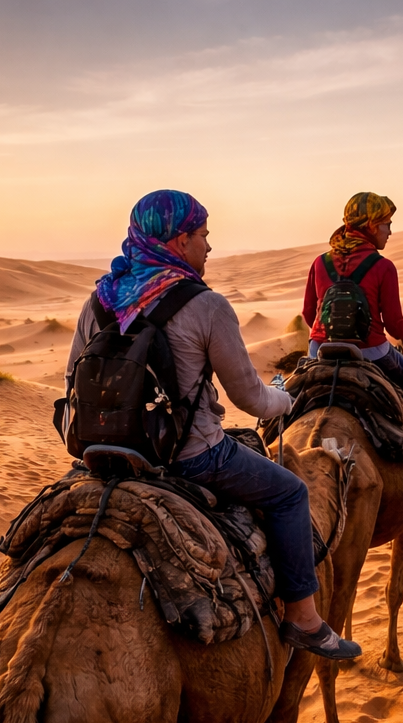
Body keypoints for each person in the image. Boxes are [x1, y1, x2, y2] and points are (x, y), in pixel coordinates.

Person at [67, 189, 358, 658]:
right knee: (290, 493)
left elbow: (72, 385)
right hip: (193, 457)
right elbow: (249, 397)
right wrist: (283, 401)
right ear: (180, 241)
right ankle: (304, 618)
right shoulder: (206, 306)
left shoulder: (99, 302)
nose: (209, 246)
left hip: (101, 459)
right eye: (203, 235)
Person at [301, 191, 403, 478]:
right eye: (386, 224)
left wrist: (324, 336)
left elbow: (309, 313)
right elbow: (394, 325)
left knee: (288, 395)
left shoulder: (320, 262)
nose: (390, 231)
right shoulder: (383, 266)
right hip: (369, 349)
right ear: (370, 226)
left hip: (319, 348)